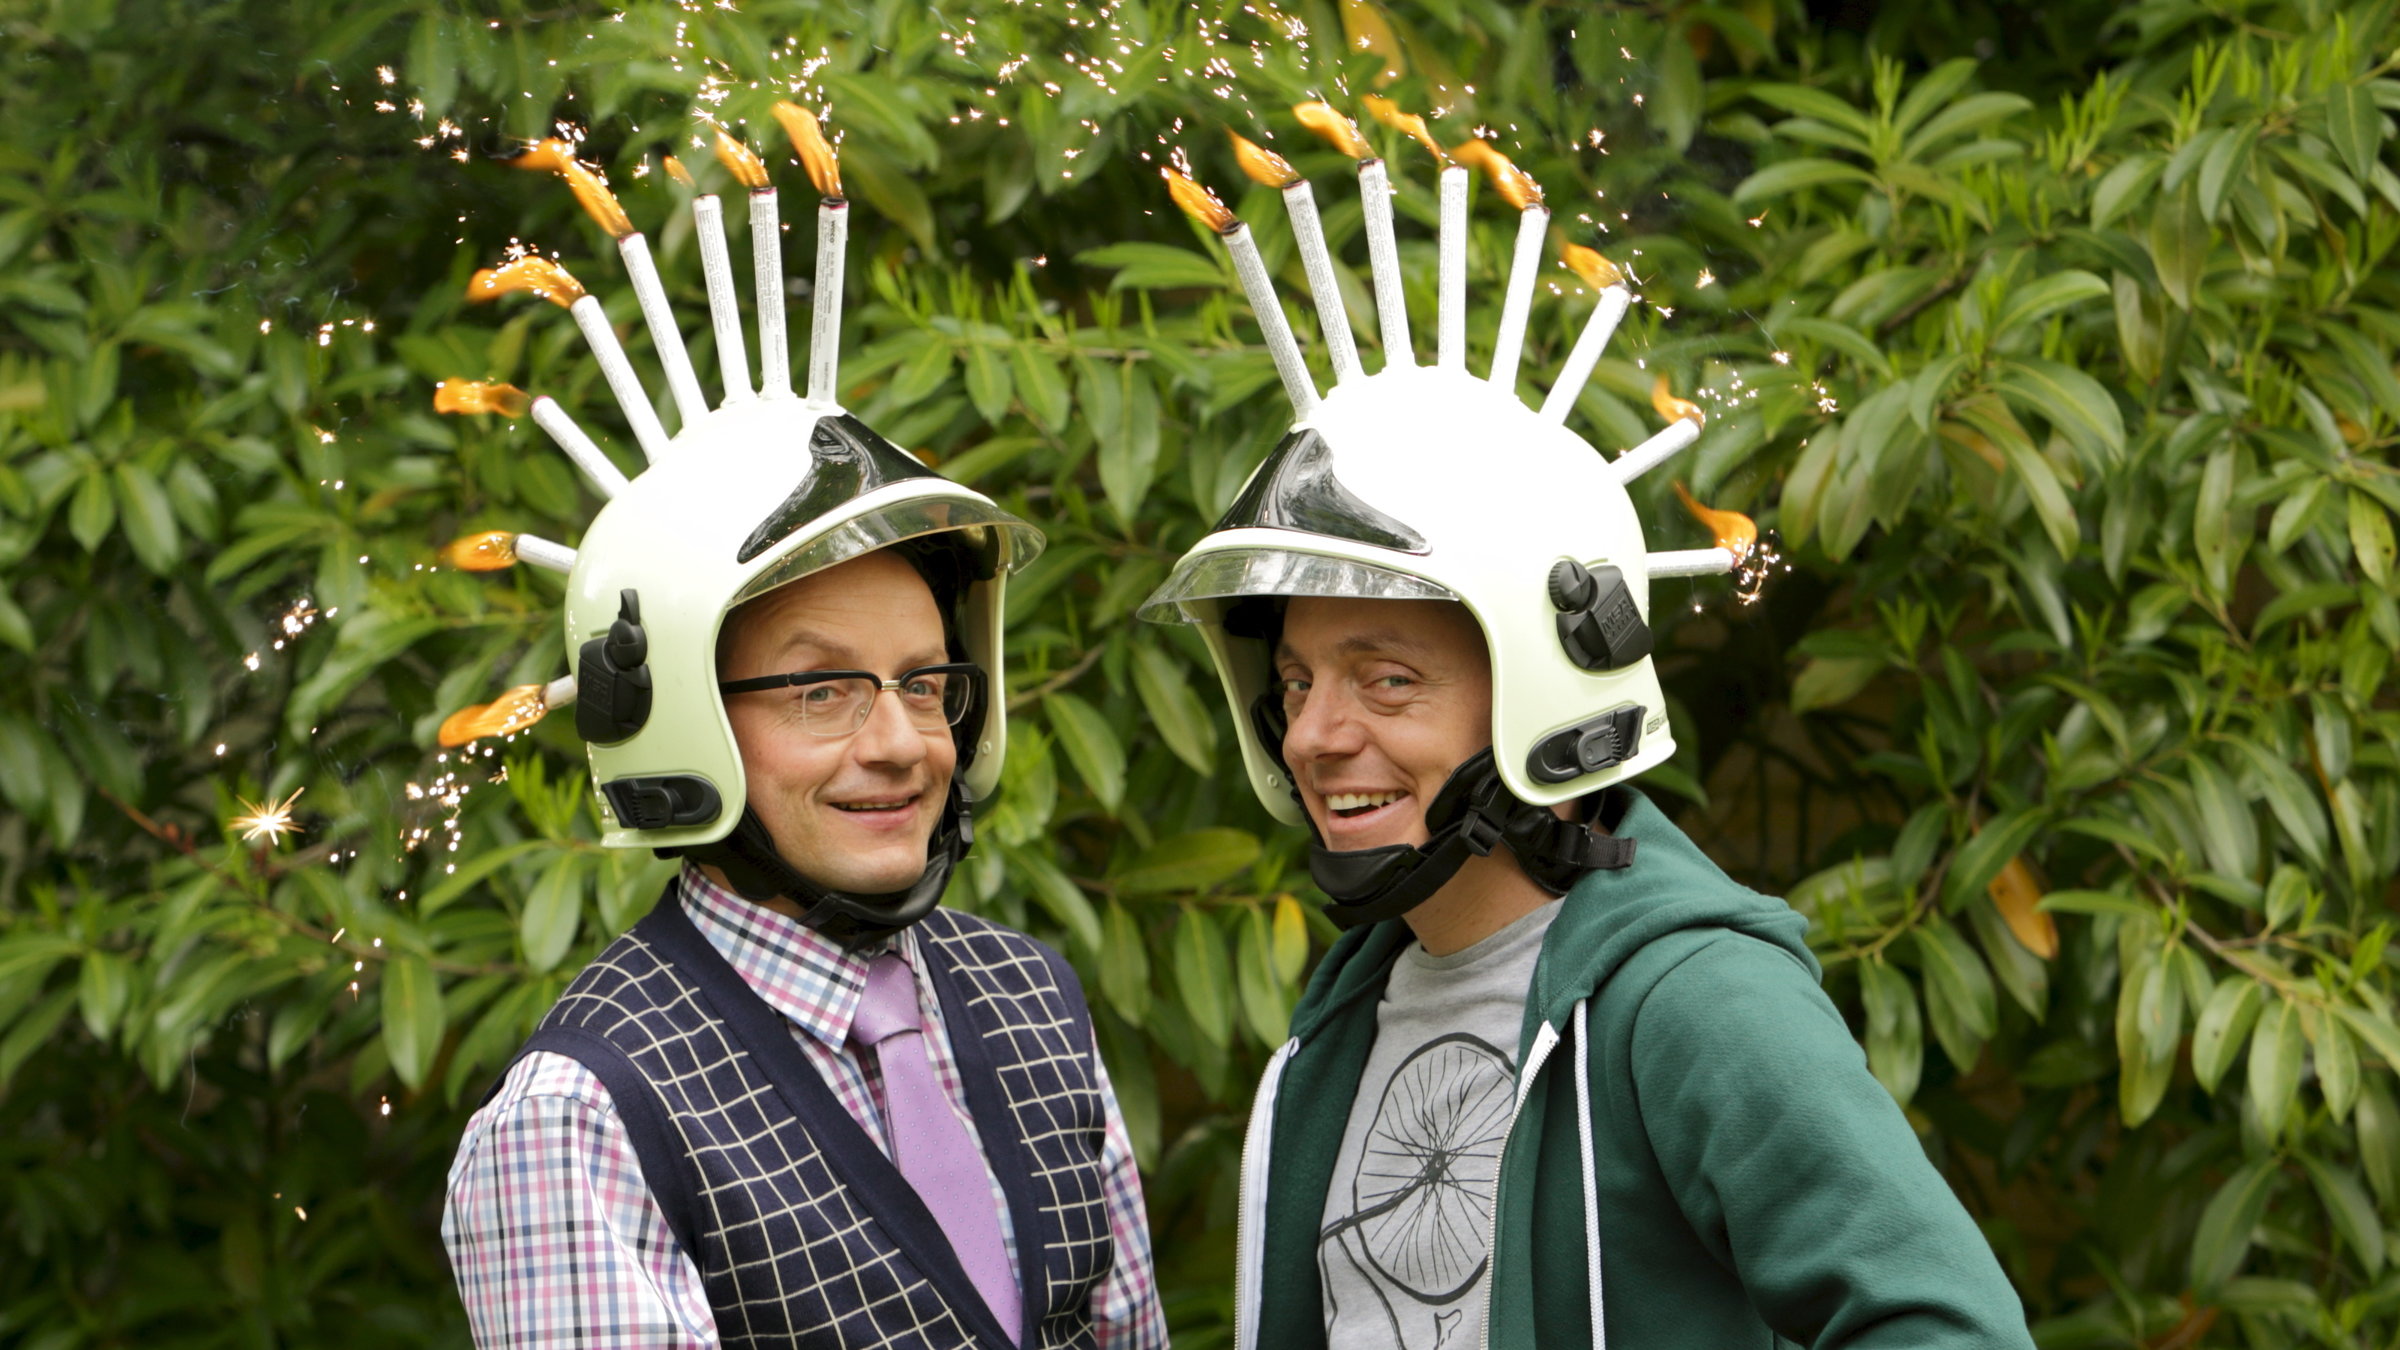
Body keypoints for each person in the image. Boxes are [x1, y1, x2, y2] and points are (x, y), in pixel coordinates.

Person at [1136, 144, 2032, 1349]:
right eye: (1295, 682)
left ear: (1543, 685)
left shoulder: (1698, 1000)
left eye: (1386, 680)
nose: (1313, 735)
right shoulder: (1344, 1012)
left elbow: (1945, 1327)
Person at [436, 142, 1165, 1349]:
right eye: (822, 690)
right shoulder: (585, 1117)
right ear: (678, 711)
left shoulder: (1036, 1001)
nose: (901, 743)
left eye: (925, 683)